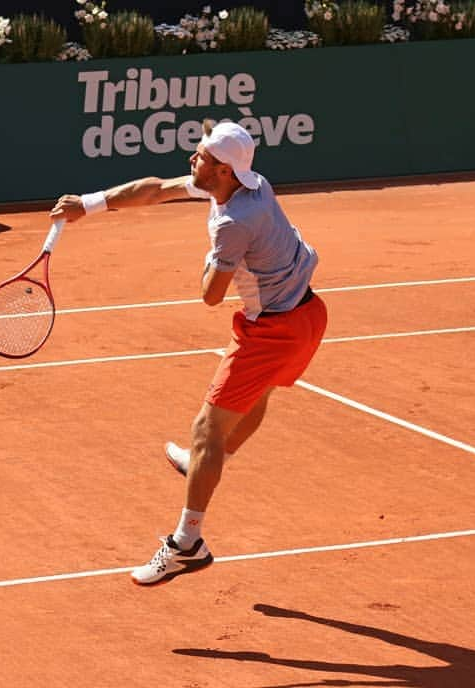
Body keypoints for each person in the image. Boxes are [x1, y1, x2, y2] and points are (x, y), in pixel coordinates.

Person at [50, 121, 327, 586]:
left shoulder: (234, 223)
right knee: (253, 402)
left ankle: (187, 543)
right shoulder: (247, 184)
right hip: (309, 315)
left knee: (206, 429)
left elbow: (211, 295)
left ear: (221, 170)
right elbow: (156, 190)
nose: (190, 160)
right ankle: (206, 463)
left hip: (274, 330)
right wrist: (90, 204)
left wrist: (214, 256)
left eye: (198, 155)